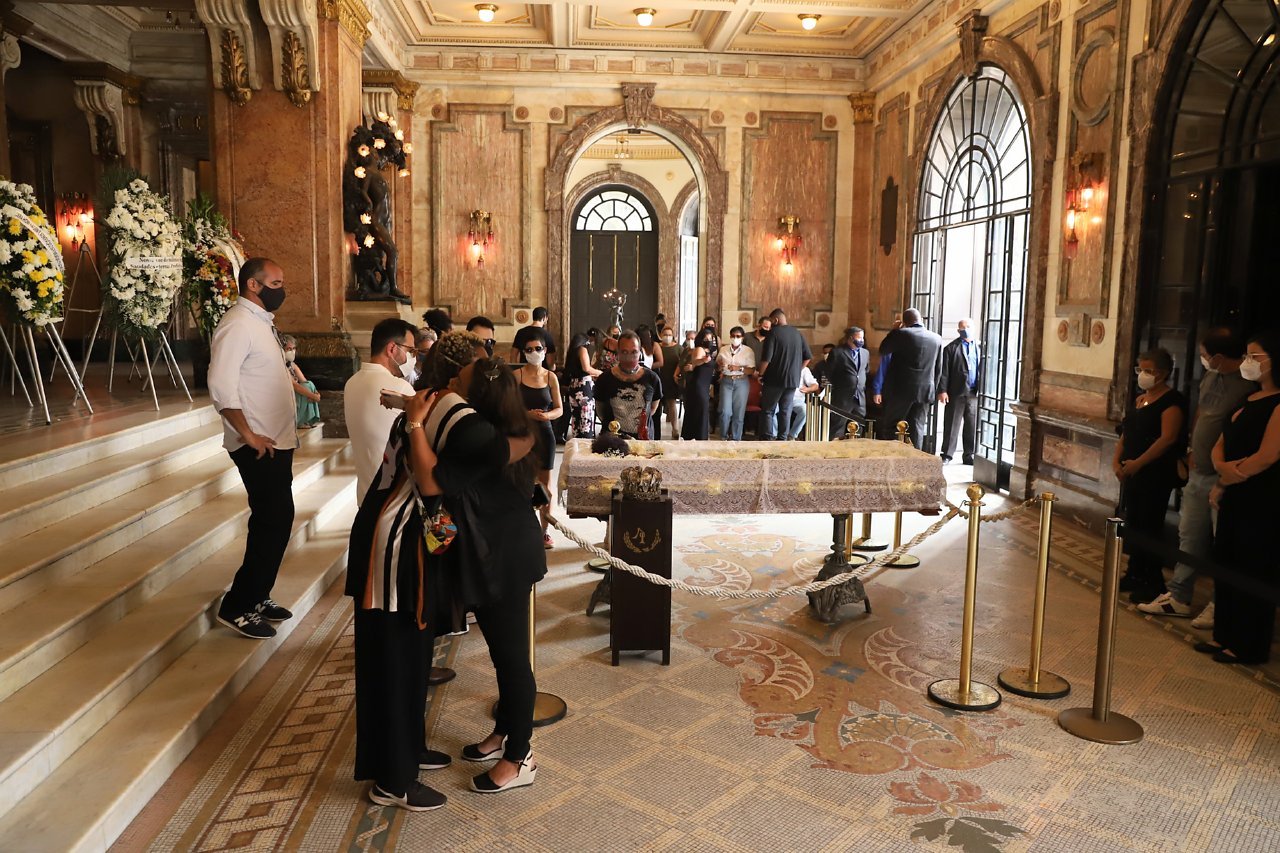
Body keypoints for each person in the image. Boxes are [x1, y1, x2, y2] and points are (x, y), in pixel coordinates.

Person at [439, 354, 546, 792]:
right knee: (503, 654)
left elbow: (436, 480)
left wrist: (413, 422)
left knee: (512, 658)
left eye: (460, 379)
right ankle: (503, 733)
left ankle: (521, 756)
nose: (452, 383)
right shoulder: (501, 431)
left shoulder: (487, 439)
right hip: (491, 552)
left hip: (504, 556)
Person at [207, 257, 298, 639]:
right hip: (257, 444)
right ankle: (239, 604)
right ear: (253, 285)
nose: (282, 289)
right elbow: (221, 385)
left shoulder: (260, 323)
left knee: (278, 520)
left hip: (274, 440)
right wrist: (247, 434)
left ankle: (258, 595)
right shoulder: (237, 324)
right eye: (275, 282)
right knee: (270, 521)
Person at [1140, 328, 1254, 621]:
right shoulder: (1211, 376)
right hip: (1198, 470)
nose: (1202, 359)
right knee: (1188, 537)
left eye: (1204, 355)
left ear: (1217, 356)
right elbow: (1202, 413)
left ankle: (1220, 605)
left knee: (1222, 543)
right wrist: (1190, 449)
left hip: (1224, 476)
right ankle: (1179, 596)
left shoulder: (1247, 384)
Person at [1202, 332, 1280, 664]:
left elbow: (1268, 454)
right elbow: (1223, 438)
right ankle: (1225, 635)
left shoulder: (1278, 403)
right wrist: (1221, 468)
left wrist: (1233, 473)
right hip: (1234, 491)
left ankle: (1248, 644)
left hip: (1261, 499)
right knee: (1227, 561)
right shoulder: (1248, 399)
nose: (1248, 362)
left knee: (1252, 567)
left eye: (1254, 357)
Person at [1112, 348, 1187, 604]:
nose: (1143, 375)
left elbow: (1167, 439)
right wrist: (1117, 460)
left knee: (1149, 525)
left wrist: (1139, 464)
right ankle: (1134, 572)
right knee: (1133, 521)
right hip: (1132, 471)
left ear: (1163, 373)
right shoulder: (1140, 399)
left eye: (1148, 370)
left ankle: (1152, 580)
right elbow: (1127, 431)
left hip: (1154, 473)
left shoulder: (1172, 402)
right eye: (1140, 369)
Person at [343, 317, 417, 502]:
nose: (412, 358)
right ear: (392, 349)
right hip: (392, 496)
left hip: (365, 493)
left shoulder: (351, 383)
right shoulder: (399, 387)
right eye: (410, 350)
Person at [873, 308, 943, 448]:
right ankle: (915, 462)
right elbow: (938, 369)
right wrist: (932, 390)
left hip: (901, 390)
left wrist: (893, 331)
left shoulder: (901, 334)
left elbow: (883, 349)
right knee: (917, 427)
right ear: (921, 320)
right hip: (925, 390)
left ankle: (893, 460)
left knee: (892, 426)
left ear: (904, 322)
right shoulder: (936, 338)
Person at [516, 338, 562, 547]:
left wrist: (547, 416)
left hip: (545, 433)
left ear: (545, 351)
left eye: (538, 348)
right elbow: (509, 408)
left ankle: (544, 531)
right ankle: (525, 527)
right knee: (523, 482)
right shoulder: (517, 375)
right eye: (529, 349)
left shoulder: (551, 377)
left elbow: (559, 408)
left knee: (545, 485)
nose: (534, 352)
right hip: (522, 433)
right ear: (523, 352)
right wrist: (527, 415)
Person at [594, 330, 662, 438]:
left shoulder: (652, 378)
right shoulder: (604, 379)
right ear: (618, 352)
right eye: (624, 352)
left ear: (640, 352)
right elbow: (600, 412)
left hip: (643, 441)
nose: (629, 358)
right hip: (613, 441)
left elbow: (653, 408)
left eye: (634, 352)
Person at [757, 308, 812, 440]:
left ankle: (768, 438)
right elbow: (808, 357)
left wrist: (760, 374)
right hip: (792, 380)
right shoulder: (798, 333)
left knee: (768, 410)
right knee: (785, 410)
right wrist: (797, 371)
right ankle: (782, 439)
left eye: (771, 321)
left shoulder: (773, 333)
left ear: (775, 320)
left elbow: (766, 359)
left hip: (774, 379)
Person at [938, 318, 983, 464]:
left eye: (968, 326)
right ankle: (947, 454)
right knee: (952, 424)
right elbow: (944, 372)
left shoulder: (980, 347)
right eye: (962, 328)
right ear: (958, 331)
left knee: (972, 425)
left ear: (974, 328)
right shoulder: (951, 348)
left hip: (974, 392)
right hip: (956, 392)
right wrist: (942, 390)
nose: (965, 329)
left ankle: (969, 454)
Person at [825, 326, 868, 439]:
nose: (862, 340)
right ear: (850, 338)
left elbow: (865, 370)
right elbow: (829, 372)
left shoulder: (865, 353)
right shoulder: (837, 352)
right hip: (843, 397)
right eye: (859, 338)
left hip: (859, 397)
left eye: (863, 338)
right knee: (838, 425)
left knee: (858, 427)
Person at [716, 326, 755, 441]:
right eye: (733, 336)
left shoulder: (748, 351)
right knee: (725, 411)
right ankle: (723, 437)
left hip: (741, 382)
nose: (735, 338)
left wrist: (739, 368)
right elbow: (718, 366)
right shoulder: (723, 349)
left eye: (738, 336)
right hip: (726, 381)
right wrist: (719, 365)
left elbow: (752, 370)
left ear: (742, 338)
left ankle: (736, 438)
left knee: (739, 413)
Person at [564, 331, 601, 439]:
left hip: (574, 386)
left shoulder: (571, 352)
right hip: (584, 387)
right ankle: (586, 441)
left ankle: (577, 442)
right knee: (586, 417)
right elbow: (586, 368)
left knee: (576, 418)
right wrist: (600, 373)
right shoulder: (582, 349)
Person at [680, 328, 715, 440]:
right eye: (706, 338)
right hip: (698, 385)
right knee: (700, 410)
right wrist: (703, 361)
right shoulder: (699, 349)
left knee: (701, 410)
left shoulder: (710, 351)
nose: (708, 340)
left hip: (704, 385)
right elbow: (695, 361)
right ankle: (699, 437)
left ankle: (698, 436)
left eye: (710, 338)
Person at [280, 334, 321, 429]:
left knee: (309, 384)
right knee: (305, 389)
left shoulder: (292, 365)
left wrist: (315, 393)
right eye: (289, 349)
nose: (292, 351)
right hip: (284, 394)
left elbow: (304, 381)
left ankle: (308, 419)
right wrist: (312, 396)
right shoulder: (280, 365)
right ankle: (300, 421)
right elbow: (294, 385)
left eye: (293, 348)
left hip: (295, 393)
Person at [655, 326, 682, 439]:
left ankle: (675, 429)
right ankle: (656, 430)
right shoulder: (657, 347)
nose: (667, 337)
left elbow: (683, 361)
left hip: (671, 379)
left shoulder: (678, 348)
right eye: (665, 334)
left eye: (669, 335)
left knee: (671, 404)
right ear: (660, 335)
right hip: (658, 378)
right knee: (657, 405)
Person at [787, 363, 821, 439]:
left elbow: (815, 385)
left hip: (797, 400)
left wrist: (808, 389)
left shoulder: (804, 369)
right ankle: (774, 435)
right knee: (772, 411)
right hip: (780, 399)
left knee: (805, 411)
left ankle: (792, 435)